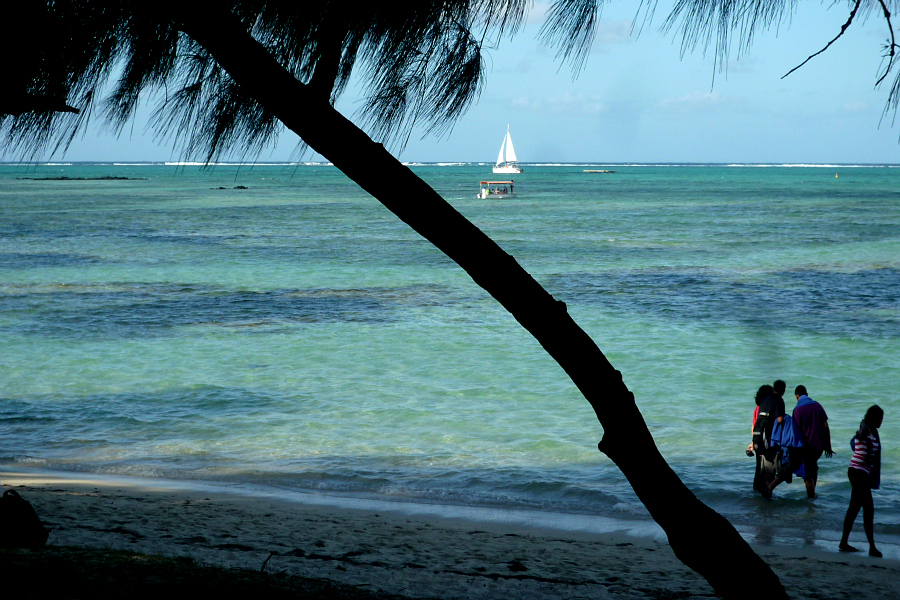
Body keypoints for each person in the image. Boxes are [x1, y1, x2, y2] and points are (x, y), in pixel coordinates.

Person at [840, 405, 884, 557]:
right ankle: (872, 547)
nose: (882, 421)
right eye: (880, 418)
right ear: (874, 418)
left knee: (854, 508)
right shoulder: (864, 430)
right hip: (858, 473)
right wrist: (860, 435)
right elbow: (856, 440)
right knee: (868, 509)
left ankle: (843, 542)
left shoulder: (874, 432)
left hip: (862, 473)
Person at [791, 385, 833, 498]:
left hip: (806, 448)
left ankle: (811, 500)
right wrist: (828, 445)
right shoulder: (817, 405)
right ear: (807, 394)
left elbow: (796, 432)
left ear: (797, 396)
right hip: (819, 447)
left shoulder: (797, 410)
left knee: (807, 474)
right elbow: (825, 426)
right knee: (813, 466)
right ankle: (814, 493)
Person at [752, 382, 785, 498]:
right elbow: (780, 420)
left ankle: (764, 498)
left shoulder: (764, 401)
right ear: (783, 391)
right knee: (780, 471)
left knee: (765, 471)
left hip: (759, 440)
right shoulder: (778, 400)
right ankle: (768, 492)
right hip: (771, 441)